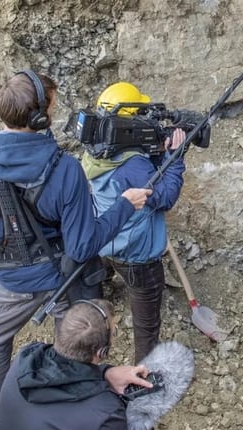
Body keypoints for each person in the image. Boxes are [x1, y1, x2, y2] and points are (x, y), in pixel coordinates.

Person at [0, 71, 152, 430]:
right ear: (40, 118)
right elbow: (82, 245)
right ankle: (72, 416)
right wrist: (125, 206)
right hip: (63, 279)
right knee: (71, 349)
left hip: (13, 279)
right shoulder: (65, 169)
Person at [81, 82, 186, 364]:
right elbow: (163, 197)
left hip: (105, 241)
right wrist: (174, 159)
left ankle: (91, 360)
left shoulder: (95, 150)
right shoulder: (133, 165)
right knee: (146, 327)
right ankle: (142, 379)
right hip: (137, 255)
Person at [0, 299, 153, 430]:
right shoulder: (105, 415)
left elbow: (62, 374)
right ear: (101, 352)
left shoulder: (27, 358)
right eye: (114, 333)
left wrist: (105, 373)